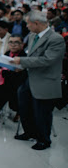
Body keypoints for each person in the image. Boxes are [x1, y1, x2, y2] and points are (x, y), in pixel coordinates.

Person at [12, 10, 66, 150]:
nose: (27, 26)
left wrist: (22, 61)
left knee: (42, 112)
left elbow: (46, 60)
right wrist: (21, 65)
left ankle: (43, 139)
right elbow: (31, 57)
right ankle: (29, 132)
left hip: (45, 80)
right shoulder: (32, 36)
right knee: (24, 106)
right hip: (30, 77)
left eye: (28, 23)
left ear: (36, 23)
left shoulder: (55, 39)